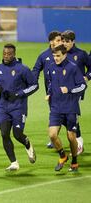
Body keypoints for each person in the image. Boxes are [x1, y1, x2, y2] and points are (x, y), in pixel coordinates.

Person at [0, 44, 38, 171]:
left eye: (9, 54)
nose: (6, 56)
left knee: (17, 134)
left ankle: (27, 144)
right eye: (4, 53)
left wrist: (18, 94)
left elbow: (34, 85)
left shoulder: (23, 69)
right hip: (3, 108)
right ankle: (14, 162)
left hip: (18, 107)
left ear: (14, 54)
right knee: (4, 133)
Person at [46, 44, 87, 172]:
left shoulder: (73, 68)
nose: (56, 58)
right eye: (54, 56)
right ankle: (63, 156)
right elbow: (51, 83)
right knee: (52, 135)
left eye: (58, 56)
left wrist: (69, 89)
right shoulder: (51, 67)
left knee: (71, 137)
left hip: (70, 107)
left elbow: (82, 86)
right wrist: (49, 93)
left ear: (64, 55)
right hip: (56, 107)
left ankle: (74, 161)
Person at [31, 31, 63, 149]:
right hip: (50, 92)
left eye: (61, 40)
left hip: (66, 91)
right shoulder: (44, 56)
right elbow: (36, 69)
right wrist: (31, 82)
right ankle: (54, 139)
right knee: (55, 114)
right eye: (58, 40)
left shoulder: (64, 54)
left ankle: (76, 140)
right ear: (51, 42)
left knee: (67, 115)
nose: (61, 42)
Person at [61, 30, 91, 155]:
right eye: (63, 41)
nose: (64, 44)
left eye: (67, 41)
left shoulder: (81, 54)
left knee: (71, 114)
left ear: (73, 41)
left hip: (76, 90)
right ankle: (76, 139)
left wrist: (87, 77)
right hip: (62, 90)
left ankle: (78, 141)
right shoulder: (60, 53)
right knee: (63, 116)